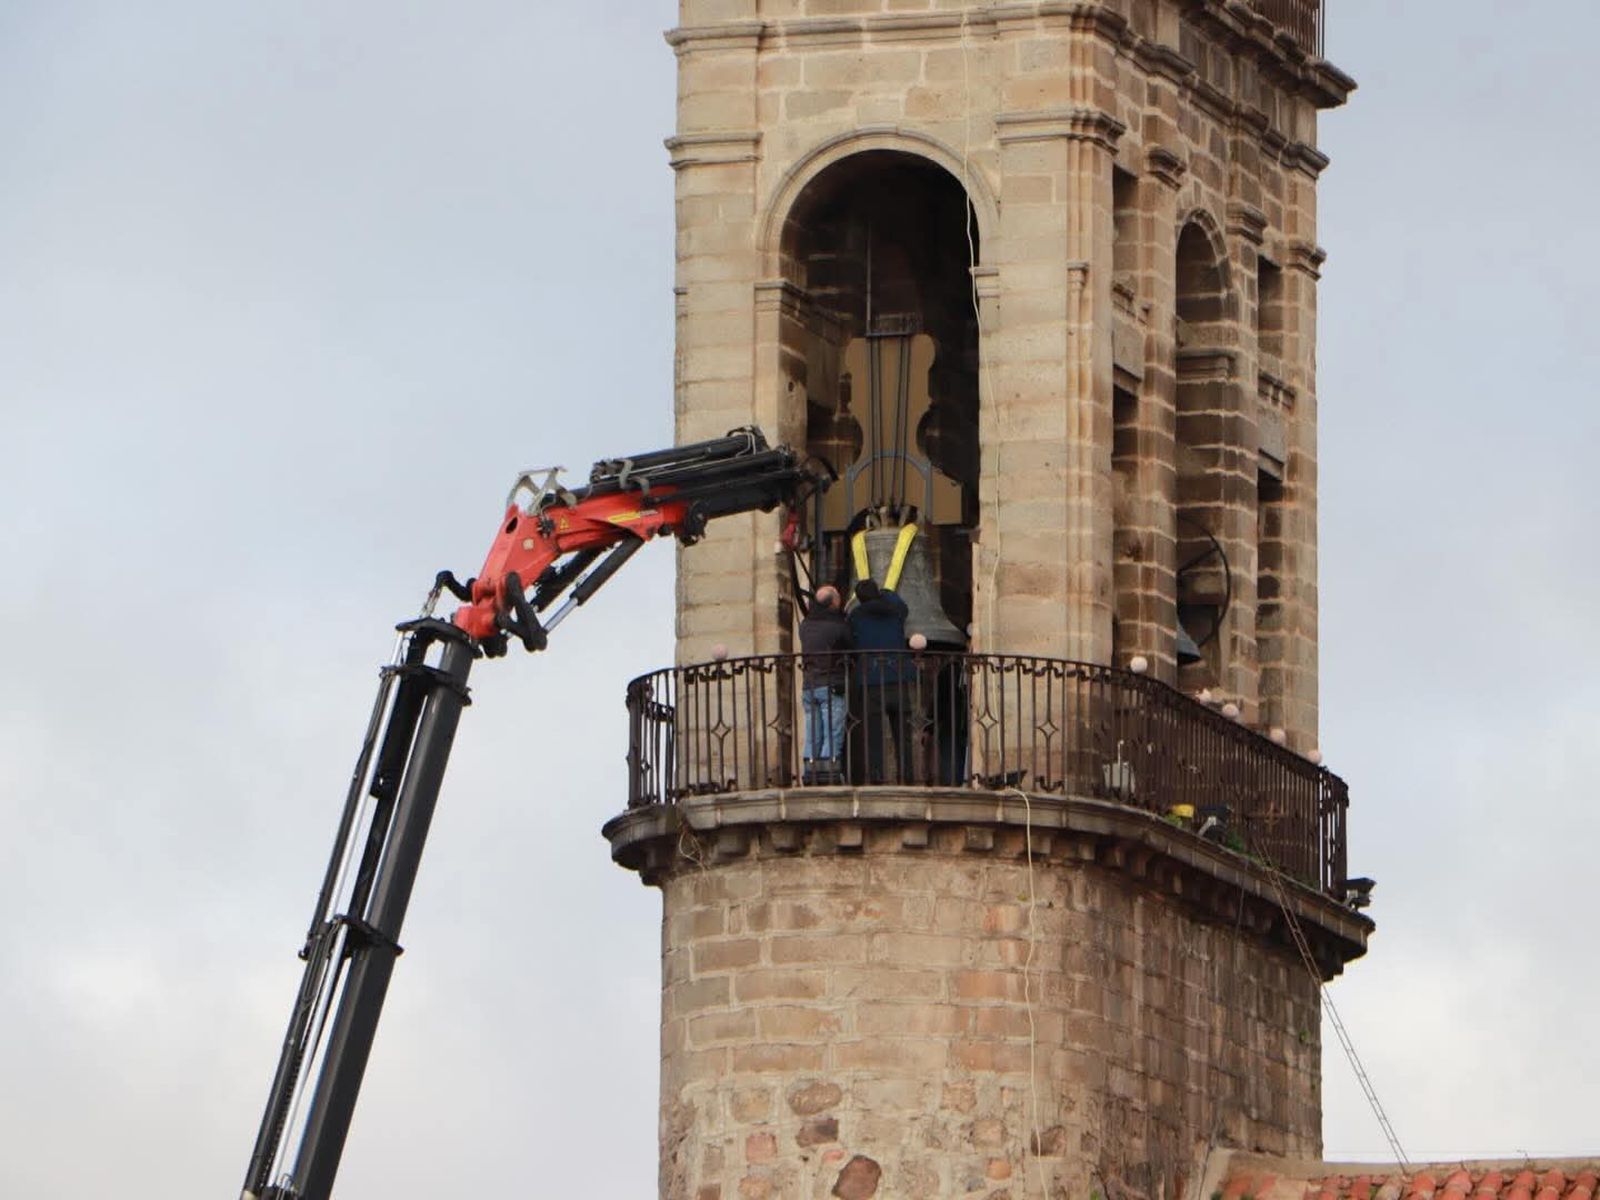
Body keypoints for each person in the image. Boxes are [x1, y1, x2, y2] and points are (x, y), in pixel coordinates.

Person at [848, 578, 913, 784]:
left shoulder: (856, 615)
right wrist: (886, 591)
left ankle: (876, 776)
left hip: (870, 680)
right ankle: (907, 775)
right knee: (903, 734)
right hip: (897, 676)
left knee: (873, 735)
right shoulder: (894, 610)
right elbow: (904, 607)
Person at [798, 585, 852, 784]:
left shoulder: (804, 626)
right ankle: (827, 774)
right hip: (831, 684)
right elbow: (849, 643)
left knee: (813, 733)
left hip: (809, 685)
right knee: (833, 731)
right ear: (834, 602)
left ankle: (809, 773)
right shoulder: (838, 625)